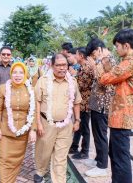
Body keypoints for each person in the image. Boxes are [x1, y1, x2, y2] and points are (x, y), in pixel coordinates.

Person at [98, 29, 133, 183]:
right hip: (120, 115)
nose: (116, 49)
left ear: (126, 46)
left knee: (120, 157)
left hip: (123, 115)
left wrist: (102, 61)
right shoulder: (130, 61)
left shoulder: (130, 62)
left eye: (117, 46)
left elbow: (106, 78)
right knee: (116, 154)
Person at [34, 53, 81, 183]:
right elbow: (37, 102)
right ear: (51, 66)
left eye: (64, 65)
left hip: (66, 125)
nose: (62, 68)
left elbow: (77, 102)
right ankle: (40, 171)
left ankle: (59, 180)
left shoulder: (73, 82)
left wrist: (77, 120)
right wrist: (38, 123)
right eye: (58, 65)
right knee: (44, 152)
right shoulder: (43, 81)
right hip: (46, 123)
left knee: (60, 157)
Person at [0, 62, 37, 183]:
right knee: (4, 159)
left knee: (16, 162)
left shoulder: (30, 89)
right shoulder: (3, 88)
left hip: (22, 133)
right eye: (15, 72)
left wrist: (33, 130)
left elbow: (33, 111)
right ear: (11, 74)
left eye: (21, 72)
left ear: (25, 74)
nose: (17, 75)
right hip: (5, 133)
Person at [84, 38, 116, 177]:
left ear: (98, 50)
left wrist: (95, 65)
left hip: (103, 105)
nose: (93, 58)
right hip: (97, 104)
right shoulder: (102, 60)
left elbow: (104, 81)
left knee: (101, 135)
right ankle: (98, 159)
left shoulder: (108, 60)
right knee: (96, 134)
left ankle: (102, 166)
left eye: (93, 55)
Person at [70, 47, 94, 160]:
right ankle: (74, 146)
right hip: (81, 102)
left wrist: (74, 76)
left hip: (85, 102)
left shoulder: (87, 68)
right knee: (79, 126)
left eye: (76, 54)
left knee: (84, 128)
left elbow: (82, 85)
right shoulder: (82, 67)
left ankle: (85, 151)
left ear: (81, 56)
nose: (75, 56)